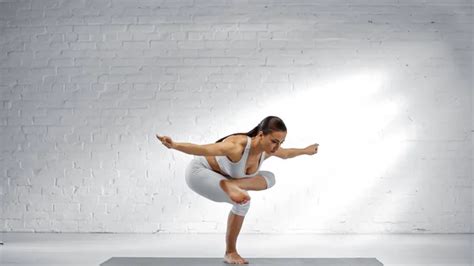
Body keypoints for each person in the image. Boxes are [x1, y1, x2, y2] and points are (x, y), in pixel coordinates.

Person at [156, 116, 319, 264]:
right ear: (261, 135)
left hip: (224, 179)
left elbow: (287, 154)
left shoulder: (267, 150)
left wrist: (306, 150)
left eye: (280, 143)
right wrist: (174, 145)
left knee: (269, 179)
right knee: (243, 200)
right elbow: (203, 149)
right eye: (274, 141)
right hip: (199, 173)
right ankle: (230, 251)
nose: (277, 147)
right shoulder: (237, 146)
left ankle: (235, 185)